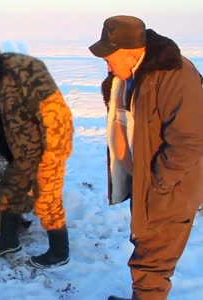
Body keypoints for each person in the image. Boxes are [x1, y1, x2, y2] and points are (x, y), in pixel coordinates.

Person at [89, 15, 203, 300]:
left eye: (109, 57)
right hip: (146, 181)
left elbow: (189, 140)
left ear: (131, 52)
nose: (106, 64)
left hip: (170, 188)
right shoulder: (134, 73)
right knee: (145, 249)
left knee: (152, 263)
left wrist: (159, 182)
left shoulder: (176, 76)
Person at [0, 42, 74, 268]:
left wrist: (52, 156)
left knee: (47, 200)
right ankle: (8, 240)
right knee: (11, 192)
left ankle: (60, 252)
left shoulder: (25, 70)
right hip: (21, 151)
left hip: (48, 147)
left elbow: (55, 114)